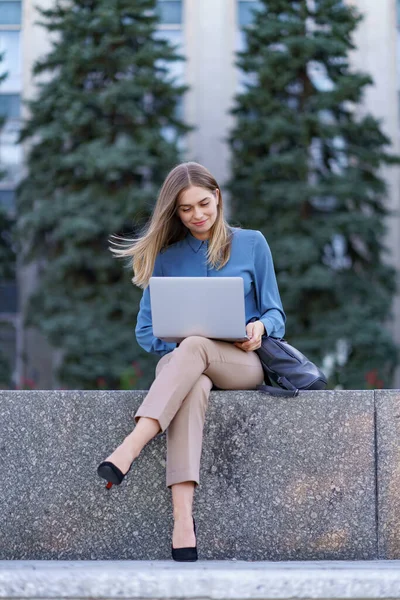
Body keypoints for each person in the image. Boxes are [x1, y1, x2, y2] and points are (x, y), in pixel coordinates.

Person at [97, 161, 286, 561]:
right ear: (175, 212)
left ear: (217, 196)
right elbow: (147, 333)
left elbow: (276, 314)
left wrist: (259, 329)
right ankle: (183, 522)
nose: (197, 215)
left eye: (204, 203)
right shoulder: (167, 258)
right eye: (186, 209)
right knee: (193, 378)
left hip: (241, 364)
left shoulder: (252, 243)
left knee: (196, 346)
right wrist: (185, 350)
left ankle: (129, 448)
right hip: (186, 368)